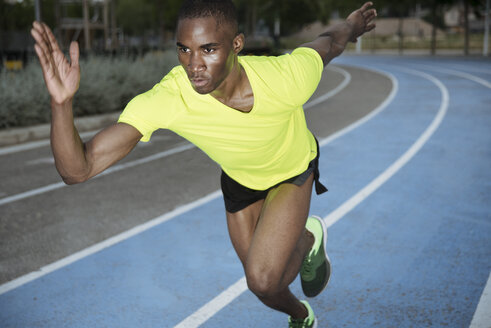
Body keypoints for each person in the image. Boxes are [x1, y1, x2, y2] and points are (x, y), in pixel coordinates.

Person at [31, 1, 376, 327]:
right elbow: (78, 170)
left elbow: (328, 43)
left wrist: (351, 25)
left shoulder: (285, 79)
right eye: (184, 49)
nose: (193, 64)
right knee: (262, 289)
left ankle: (308, 237)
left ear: (237, 44)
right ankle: (302, 316)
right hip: (241, 181)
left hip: (291, 171)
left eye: (208, 49)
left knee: (265, 277)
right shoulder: (172, 96)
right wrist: (61, 104)